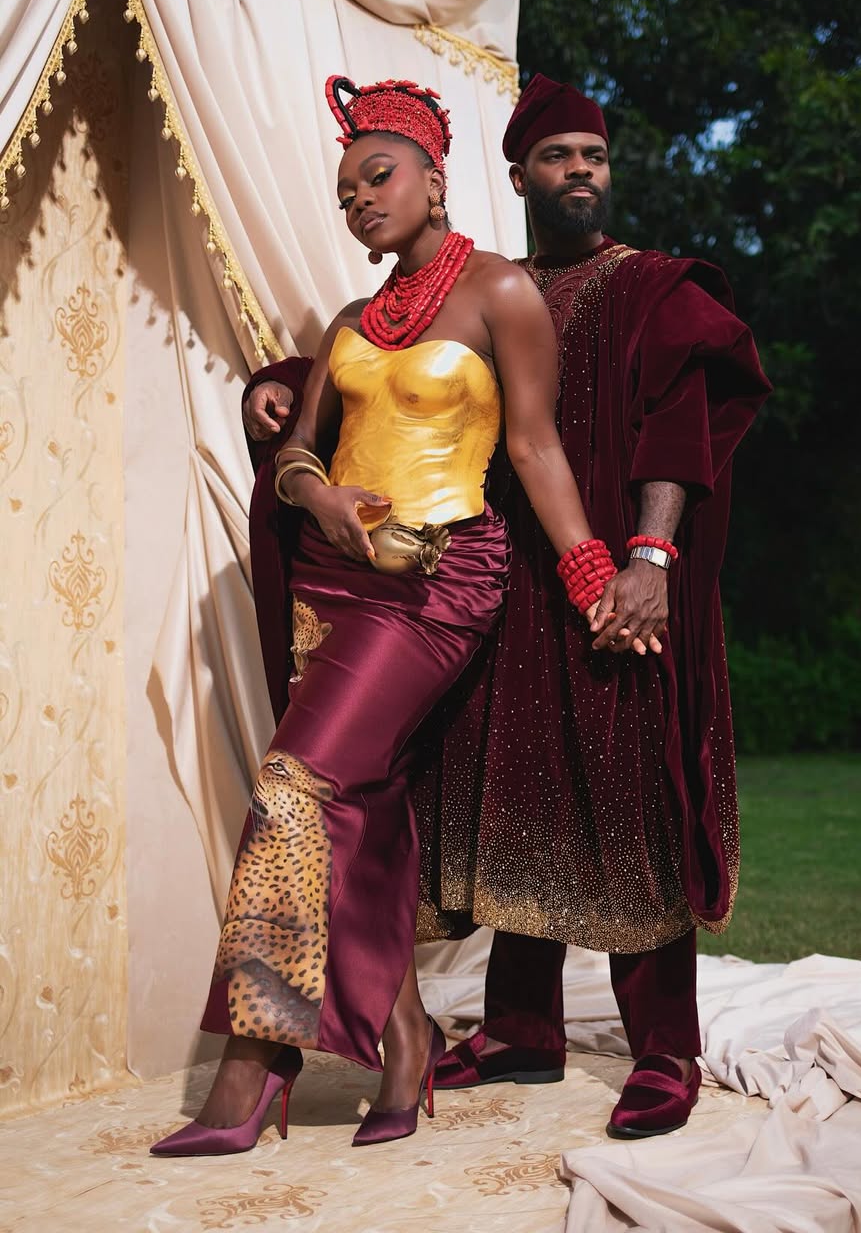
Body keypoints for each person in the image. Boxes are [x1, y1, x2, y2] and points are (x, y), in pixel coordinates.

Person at [242, 75, 770, 1140]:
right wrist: (282, 377)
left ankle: (666, 1049)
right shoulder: (488, 284)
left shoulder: (651, 287)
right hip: (495, 582)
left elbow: (681, 421)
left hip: (608, 577)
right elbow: (409, 373)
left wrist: (650, 555)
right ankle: (523, 1027)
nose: (584, 171)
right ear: (518, 175)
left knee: (630, 800)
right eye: (563, 156)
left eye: (598, 156)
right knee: (513, 800)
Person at [151, 76, 614, 1157]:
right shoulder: (351, 322)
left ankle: (255, 1060)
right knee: (357, 813)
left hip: (441, 582)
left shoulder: (503, 294)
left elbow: (537, 449)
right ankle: (404, 1040)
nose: (358, 199)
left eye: (378, 176)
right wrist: (319, 495)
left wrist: (594, 574)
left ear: (436, 180)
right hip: (333, 581)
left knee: (290, 782)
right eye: (346, 188)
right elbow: (299, 455)